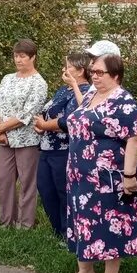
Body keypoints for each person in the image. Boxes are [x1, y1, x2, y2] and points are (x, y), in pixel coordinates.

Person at [62, 53, 137, 273]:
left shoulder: (123, 101)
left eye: (100, 72)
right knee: (83, 219)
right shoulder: (92, 93)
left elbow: (134, 138)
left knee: (111, 220)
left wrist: (129, 176)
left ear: (116, 74)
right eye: (93, 72)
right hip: (81, 172)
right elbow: (82, 118)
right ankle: (86, 271)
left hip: (108, 175)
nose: (94, 76)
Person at [0, 39, 47, 229]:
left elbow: (27, 114)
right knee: (3, 179)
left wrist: (2, 127)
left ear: (33, 57)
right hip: (4, 139)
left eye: (23, 56)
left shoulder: (38, 83)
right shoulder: (7, 78)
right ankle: (6, 221)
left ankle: (25, 223)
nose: (18, 60)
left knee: (27, 181)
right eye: (16, 56)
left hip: (26, 139)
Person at [32, 52, 91, 238]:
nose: (63, 69)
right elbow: (47, 112)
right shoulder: (62, 90)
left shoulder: (86, 91)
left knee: (63, 192)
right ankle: (57, 231)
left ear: (81, 70)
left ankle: (69, 234)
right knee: (45, 188)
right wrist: (40, 125)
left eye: (68, 66)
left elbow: (69, 120)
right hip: (47, 147)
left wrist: (45, 125)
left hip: (65, 150)